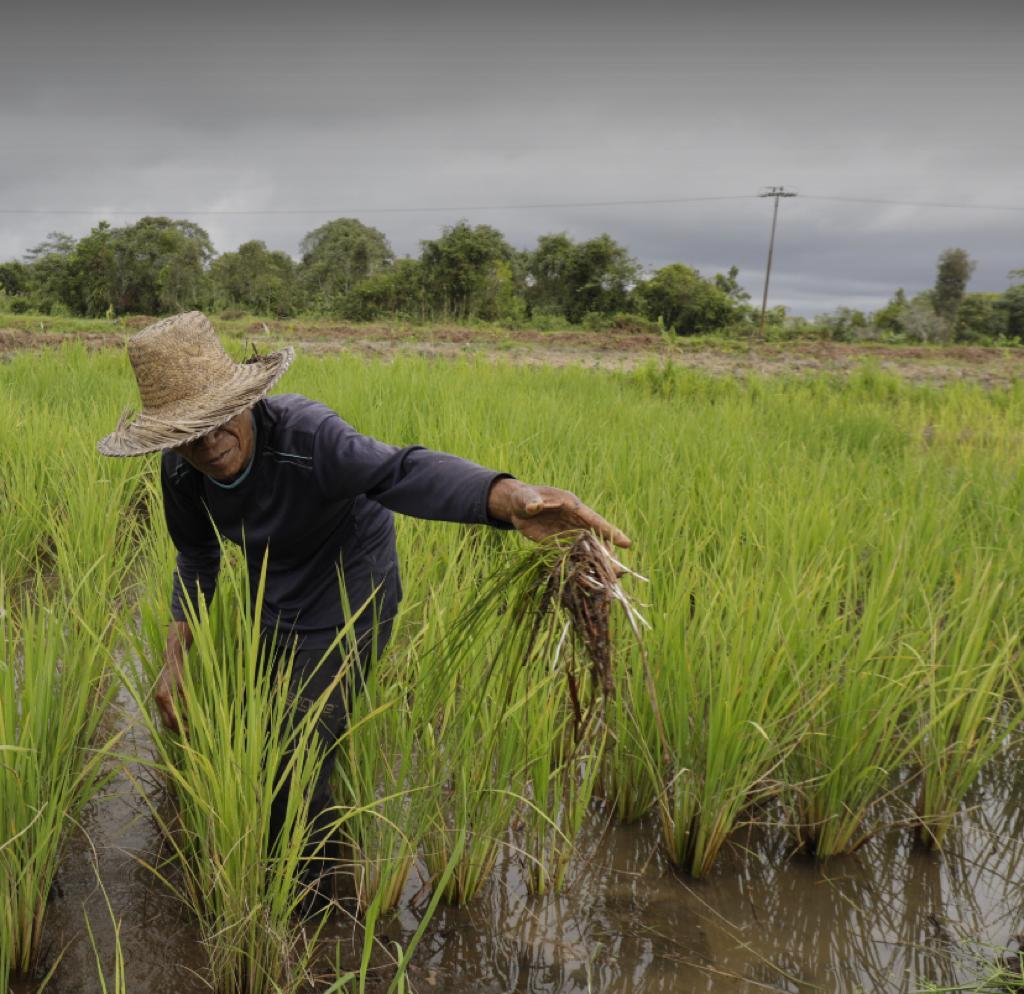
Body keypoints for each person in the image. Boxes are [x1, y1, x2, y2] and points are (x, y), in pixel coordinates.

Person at [97, 310, 630, 899]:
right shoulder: (180, 471)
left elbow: (400, 471)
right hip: (274, 586)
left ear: (243, 400)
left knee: (294, 758)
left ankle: (305, 898)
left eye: (218, 419)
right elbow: (197, 557)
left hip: (353, 586)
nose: (208, 442)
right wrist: (174, 658)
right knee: (270, 715)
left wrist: (507, 498)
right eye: (186, 433)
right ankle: (300, 845)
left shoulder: (308, 437)